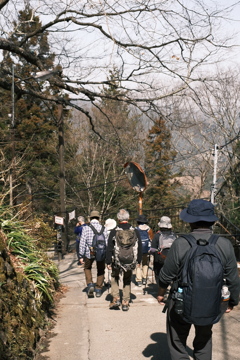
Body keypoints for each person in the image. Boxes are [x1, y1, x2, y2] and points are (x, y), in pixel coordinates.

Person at [157, 199, 240, 360]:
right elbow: (233, 279)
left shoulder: (181, 243)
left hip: (180, 300)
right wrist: (231, 302)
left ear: (190, 222)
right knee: (203, 340)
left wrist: (161, 293)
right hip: (211, 301)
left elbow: (166, 275)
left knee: (177, 341)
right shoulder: (224, 244)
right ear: (211, 221)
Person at [106, 209, 142, 311]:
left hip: (117, 260)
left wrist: (108, 261)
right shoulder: (134, 231)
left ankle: (116, 298)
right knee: (127, 279)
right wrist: (139, 260)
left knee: (114, 277)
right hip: (130, 260)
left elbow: (109, 247)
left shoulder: (114, 231)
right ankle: (125, 302)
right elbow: (140, 247)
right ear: (128, 218)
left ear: (118, 219)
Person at [79, 210, 108, 298]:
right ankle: (98, 289)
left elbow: (82, 242)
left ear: (90, 218)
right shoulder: (104, 228)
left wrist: (81, 255)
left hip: (89, 252)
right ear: (98, 218)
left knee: (87, 267)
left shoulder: (86, 228)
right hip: (101, 252)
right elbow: (106, 242)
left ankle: (90, 284)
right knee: (101, 269)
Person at [150, 216, 176, 285]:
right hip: (171, 258)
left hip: (159, 258)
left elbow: (152, 249)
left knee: (158, 272)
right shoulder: (173, 235)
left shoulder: (157, 235)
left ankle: (160, 288)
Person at [135, 214, 154, 286]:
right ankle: (144, 278)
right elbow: (151, 239)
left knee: (138, 264)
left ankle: (138, 279)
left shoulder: (136, 229)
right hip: (146, 249)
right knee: (145, 263)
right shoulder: (149, 229)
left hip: (138, 249)